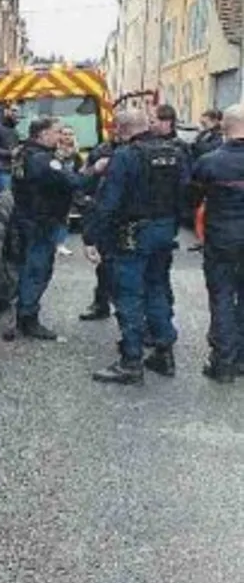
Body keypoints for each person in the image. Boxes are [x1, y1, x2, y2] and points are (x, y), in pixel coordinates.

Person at [89, 109, 190, 385]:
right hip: (164, 229)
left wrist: (91, 237)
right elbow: (186, 192)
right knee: (156, 287)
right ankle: (163, 352)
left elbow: (108, 201)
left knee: (129, 294)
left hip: (134, 232)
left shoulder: (125, 155)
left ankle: (131, 361)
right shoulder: (175, 152)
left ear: (121, 129)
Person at [11, 116, 92, 340]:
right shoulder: (43, 159)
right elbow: (74, 182)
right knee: (38, 270)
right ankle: (28, 318)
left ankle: (23, 314)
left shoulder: (22, 151)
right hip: (41, 221)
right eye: (56, 132)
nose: (60, 136)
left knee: (28, 266)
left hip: (25, 216)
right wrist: (94, 170)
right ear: (43, 134)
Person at [191, 103, 244, 383]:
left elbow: (192, 197)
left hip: (222, 238)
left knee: (222, 297)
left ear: (223, 127)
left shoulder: (210, 161)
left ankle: (223, 362)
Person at [79, 134, 121, 321]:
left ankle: (135, 317)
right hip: (106, 215)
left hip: (132, 216)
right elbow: (86, 180)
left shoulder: (141, 150)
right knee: (105, 265)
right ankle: (101, 303)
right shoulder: (102, 150)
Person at [188, 109, 224, 253]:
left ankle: (205, 241)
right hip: (200, 178)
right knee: (198, 212)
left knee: (205, 212)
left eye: (205, 120)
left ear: (214, 120)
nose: (202, 122)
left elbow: (208, 149)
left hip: (209, 180)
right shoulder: (204, 134)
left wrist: (196, 145)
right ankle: (201, 239)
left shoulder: (218, 136)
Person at [53, 126, 82, 257]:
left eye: (70, 134)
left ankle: (61, 244)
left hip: (69, 189)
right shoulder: (54, 152)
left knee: (65, 217)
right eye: (65, 134)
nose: (67, 137)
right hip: (55, 188)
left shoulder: (76, 154)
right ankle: (53, 243)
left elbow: (79, 170)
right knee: (54, 217)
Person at [0, 103, 21, 197]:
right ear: (6, 111)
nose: (17, 114)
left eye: (18, 111)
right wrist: (10, 153)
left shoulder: (13, 129)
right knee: (4, 197)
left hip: (10, 170)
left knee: (0, 199)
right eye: (14, 110)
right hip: (0, 169)